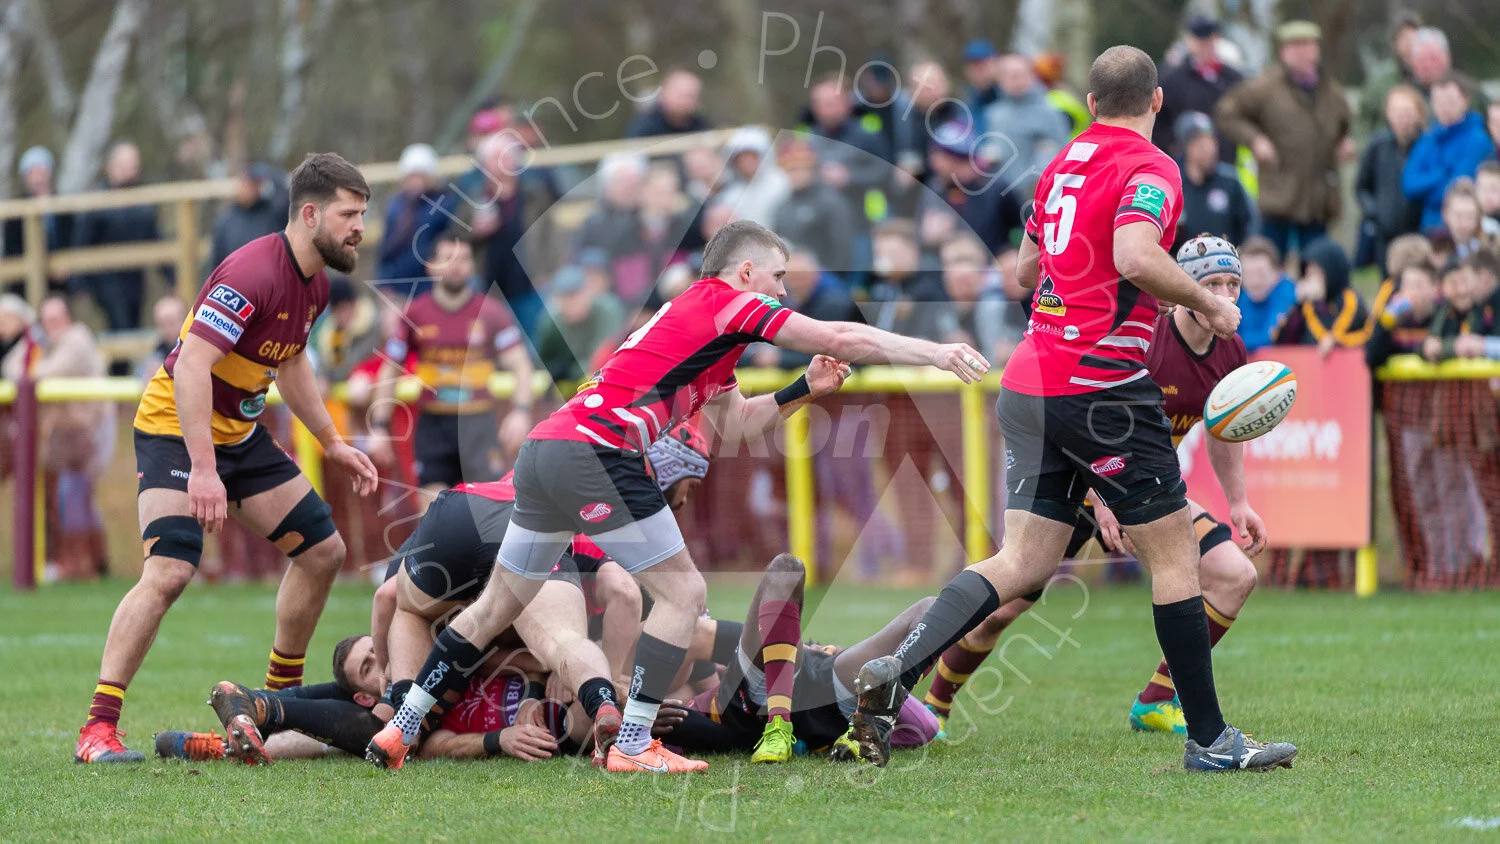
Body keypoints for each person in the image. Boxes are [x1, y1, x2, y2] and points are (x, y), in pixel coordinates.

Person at [365, 219, 989, 773]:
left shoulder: (701, 327)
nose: (781, 291)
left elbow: (738, 423)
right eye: (776, 277)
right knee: (684, 592)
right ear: (744, 272)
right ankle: (634, 743)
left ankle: (404, 725)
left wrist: (805, 387)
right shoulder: (727, 303)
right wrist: (933, 351)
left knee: (498, 604)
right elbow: (841, 334)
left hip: (546, 449)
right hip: (596, 454)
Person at [834, 45, 1296, 773]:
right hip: (1101, 384)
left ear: (1086, 101)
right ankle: (1209, 741)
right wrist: (1210, 299)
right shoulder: (1152, 167)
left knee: (1022, 560)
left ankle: (899, 673)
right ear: (1156, 102)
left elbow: (1023, 270)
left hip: (1029, 379)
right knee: (1176, 555)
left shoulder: (1061, 164)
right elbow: (1139, 255)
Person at [75, 153, 380, 763]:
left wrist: (333, 443)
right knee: (170, 571)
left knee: (323, 553)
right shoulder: (252, 272)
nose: (359, 229)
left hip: (238, 436)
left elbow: (289, 362)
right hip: (174, 429)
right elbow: (190, 364)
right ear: (311, 213)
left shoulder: (315, 282)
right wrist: (204, 469)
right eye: (350, 214)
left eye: (364, 216)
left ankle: (273, 706)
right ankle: (97, 729)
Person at [919, 236, 1264, 738]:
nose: (1224, 295)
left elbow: (1223, 428)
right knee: (1008, 606)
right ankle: (934, 705)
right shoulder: (1148, 337)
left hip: (1146, 489)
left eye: (1232, 284)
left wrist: (1239, 502)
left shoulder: (1230, 348)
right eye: (1212, 283)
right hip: (1081, 479)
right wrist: (1104, 499)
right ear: (1186, 285)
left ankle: (1157, 700)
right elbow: (1090, 413)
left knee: (1235, 576)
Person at [655, 554, 941, 762]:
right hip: (757, 700)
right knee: (786, 568)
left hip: (818, 685)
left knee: (931, 610)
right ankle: (778, 726)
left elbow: (923, 730)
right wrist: (636, 717)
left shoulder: (677, 646)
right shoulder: (673, 695)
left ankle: (876, 715)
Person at [367, 237, 534, 501]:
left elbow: (521, 364)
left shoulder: (492, 313)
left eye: (464, 259)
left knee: (488, 512)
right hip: (433, 426)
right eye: (448, 259)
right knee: (432, 512)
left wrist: (521, 412)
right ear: (431, 266)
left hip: (479, 424)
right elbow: (390, 370)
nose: (456, 266)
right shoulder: (414, 314)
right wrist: (378, 426)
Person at [1215, 21, 1354, 259]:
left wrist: (1344, 143)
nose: (1304, 54)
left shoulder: (1330, 91)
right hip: (1279, 194)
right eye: (1296, 47)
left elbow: (1343, 126)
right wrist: (1255, 139)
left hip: (1317, 198)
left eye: (1309, 46)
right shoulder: (1265, 87)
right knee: (1270, 261)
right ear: (1284, 52)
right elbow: (1226, 113)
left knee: (1315, 264)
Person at [1, 296, 114, 580]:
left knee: (71, 494)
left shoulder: (76, 340)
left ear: (68, 318)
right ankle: (92, 562)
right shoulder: (49, 345)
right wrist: (34, 346)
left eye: (57, 318)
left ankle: (80, 562)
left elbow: (40, 374)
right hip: (66, 437)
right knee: (71, 495)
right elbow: (13, 368)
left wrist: (33, 355)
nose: (53, 326)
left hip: (88, 433)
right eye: (47, 320)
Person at [71, 142, 167, 335]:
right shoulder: (98, 203)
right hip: (106, 280)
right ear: (110, 167)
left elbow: (156, 241)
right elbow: (83, 243)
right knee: (119, 324)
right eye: (122, 165)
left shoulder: (144, 203)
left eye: (131, 165)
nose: (127, 170)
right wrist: (79, 284)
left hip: (135, 279)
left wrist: (171, 278)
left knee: (133, 324)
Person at [1403, 73, 1495, 233]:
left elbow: (1457, 187)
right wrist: (1440, 173)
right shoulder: (1428, 137)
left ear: (1465, 101)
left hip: (1463, 228)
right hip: (1429, 228)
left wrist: (1428, 191)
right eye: (1438, 102)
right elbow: (1409, 185)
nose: (1444, 107)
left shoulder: (1477, 139)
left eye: (1450, 101)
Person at [921, 122, 1026, 255]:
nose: (933, 161)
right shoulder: (936, 186)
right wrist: (928, 238)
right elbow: (921, 234)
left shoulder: (997, 188)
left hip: (993, 268)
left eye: (939, 155)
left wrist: (1010, 252)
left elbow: (1024, 228)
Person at [1357, 85, 1427, 273]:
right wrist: (1375, 213)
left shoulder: (1427, 145)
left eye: (1408, 112)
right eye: (1397, 112)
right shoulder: (1377, 145)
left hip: (1418, 232)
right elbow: (1361, 187)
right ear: (1388, 114)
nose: (1403, 118)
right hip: (1385, 234)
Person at [1153, 16, 1244, 162]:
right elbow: (1159, 119)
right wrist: (1172, 147)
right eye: (1199, 41)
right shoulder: (1172, 78)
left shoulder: (1233, 78)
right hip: (1185, 163)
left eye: (1208, 40)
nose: (1204, 46)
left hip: (1226, 160)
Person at [979, 54, 1071, 197]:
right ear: (1000, 80)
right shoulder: (994, 114)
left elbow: (1061, 153)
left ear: (1032, 76)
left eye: (1020, 74)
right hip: (1001, 199)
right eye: (1009, 75)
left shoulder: (1050, 113)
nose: (1016, 80)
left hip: (1038, 196)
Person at [1271, 237, 1370, 353]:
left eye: (1316, 273)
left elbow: (1361, 336)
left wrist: (1335, 340)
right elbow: (1283, 341)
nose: (1311, 279)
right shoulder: (1307, 305)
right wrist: (1297, 306)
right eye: (1308, 274)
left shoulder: (1351, 300)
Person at [771, 141, 856, 274]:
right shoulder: (782, 206)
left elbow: (842, 249)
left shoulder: (831, 201)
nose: (797, 174)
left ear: (813, 169)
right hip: (791, 278)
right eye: (791, 169)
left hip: (826, 277)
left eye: (803, 168)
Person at [375, 144, 449, 298]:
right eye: (412, 176)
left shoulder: (444, 204)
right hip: (399, 288)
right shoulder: (396, 206)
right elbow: (385, 250)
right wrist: (384, 284)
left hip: (431, 288)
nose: (415, 182)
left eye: (420, 176)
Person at [1172, 112, 1254, 251]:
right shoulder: (1173, 183)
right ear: (1187, 147)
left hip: (1224, 263)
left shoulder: (1230, 181)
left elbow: (1251, 225)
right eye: (1200, 143)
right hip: (1180, 264)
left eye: (1211, 141)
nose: (1209, 149)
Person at [535, 264, 626, 382]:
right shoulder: (550, 321)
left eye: (577, 294)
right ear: (556, 300)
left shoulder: (607, 310)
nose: (573, 302)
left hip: (605, 376)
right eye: (566, 297)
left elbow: (605, 358)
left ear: (589, 292)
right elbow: (543, 362)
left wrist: (571, 371)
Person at [208, 163, 289, 273]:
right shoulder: (226, 221)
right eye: (246, 183)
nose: (249, 188)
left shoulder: (271, 213)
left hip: (270, 280)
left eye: (254, 184)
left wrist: (270, 174)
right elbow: (216, 262)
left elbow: (286, 197)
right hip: (237, 282)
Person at [1357, 11, 1425, 138]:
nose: (1409, 43)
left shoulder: (1430, 75)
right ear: (1395, 43)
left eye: (1414, 38)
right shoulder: (1380, 78)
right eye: (1404, 38)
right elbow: (1363, 119)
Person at [1235, 236, 1297, 353]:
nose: (1255, 281)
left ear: (1277, 273)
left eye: (1261, 274)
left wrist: (1240, 340)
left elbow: (1270, 338)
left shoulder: (1288, 294)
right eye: (1248, 274)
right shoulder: (1242, 297)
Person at [626, 69, 710, 138]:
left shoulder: (700, 124)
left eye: (692, 96)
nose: (686, 101)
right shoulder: (644, 125)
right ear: (664, 92)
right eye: (681, 95)